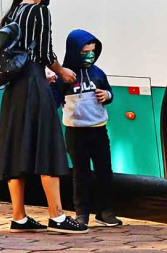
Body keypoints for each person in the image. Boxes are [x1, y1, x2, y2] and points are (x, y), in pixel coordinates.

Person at [0, 0, 88, 234]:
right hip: (35, 87)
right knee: (48, 146)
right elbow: (45, 52)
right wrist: (60, 71)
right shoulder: (39, 12)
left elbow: (19, 53)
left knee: (16, 148)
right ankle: (57, 216)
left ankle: (19, 216)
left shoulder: (13, 13)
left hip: (14, 89)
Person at [52, 29, 122, 228]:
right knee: (80, 174)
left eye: (93, 50)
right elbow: (55, 98)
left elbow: (109, 92)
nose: (90, 55)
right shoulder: (64, 76)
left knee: (104, 172)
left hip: (98, 129)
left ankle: (105, 211)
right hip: (75, 132)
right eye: (85, 51)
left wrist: (106, 96)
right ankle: (81, 213)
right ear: (74, 51)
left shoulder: (98, 73)